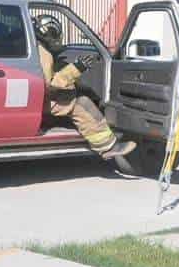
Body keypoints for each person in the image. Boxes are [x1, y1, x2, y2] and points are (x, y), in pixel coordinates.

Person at [34, 15, 137, 162]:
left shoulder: (35, 47)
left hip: (33, 98)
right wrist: (76, 69)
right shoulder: (44, 53)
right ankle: (108, 147)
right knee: (81, 103)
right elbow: (50, 85)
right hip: (40, 99)